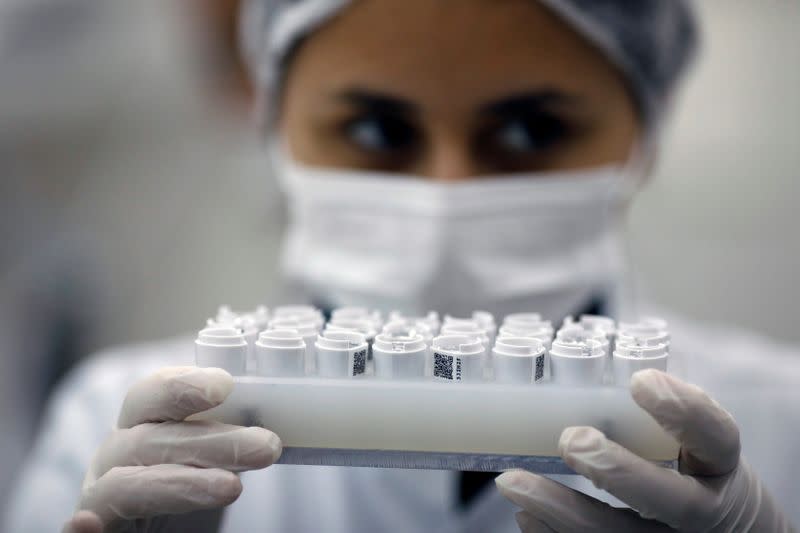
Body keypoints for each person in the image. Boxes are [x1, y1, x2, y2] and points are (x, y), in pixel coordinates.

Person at [4, 0, 798, 531]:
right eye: (377, 131)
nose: (444, 191)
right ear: (276, 132)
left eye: (530, 131)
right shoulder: (111, 427)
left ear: (644, 137)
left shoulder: (783, 418)